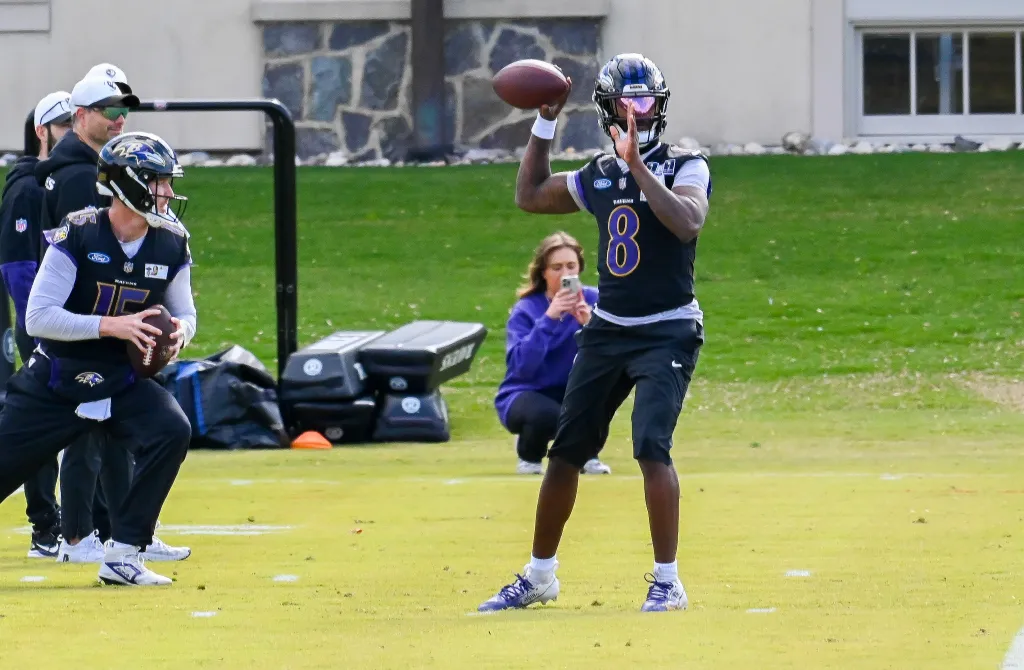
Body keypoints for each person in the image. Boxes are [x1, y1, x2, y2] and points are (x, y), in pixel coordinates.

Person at [479, 53, 712, 613]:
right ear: (610, 108)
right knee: (566, 453)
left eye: (648, 100)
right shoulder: (599, 173)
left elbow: (687, 222)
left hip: (667, 330)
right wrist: (545, 121)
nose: (641, 110)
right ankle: (539, 576)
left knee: (651, 447)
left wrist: (638, 166)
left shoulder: (686, 163)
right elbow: (531, 195)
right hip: (609, 330)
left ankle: (667, 581)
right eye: (629, 101)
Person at [0, 131, 196, 586]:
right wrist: (114, 326)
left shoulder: (171, 241)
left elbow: (185, 312)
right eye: (158, 181)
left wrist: (178, 335)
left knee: (171, 430)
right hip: (58, 378)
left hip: (120, 377)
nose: (167, 192)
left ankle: (124, 552)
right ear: (127, 184)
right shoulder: (79, 231)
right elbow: (38, 317)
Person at [0, 91, 73, 558]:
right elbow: (18, 268)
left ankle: (91, 523)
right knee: (40, 424)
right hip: (44, 325)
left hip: (77, 322)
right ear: (42, 131)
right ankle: (46, 525)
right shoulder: (27, 189)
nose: (73, 130)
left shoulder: (67, 184)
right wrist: (47, 324)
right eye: (63, 123)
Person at [494, 231, 611, 476]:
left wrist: (590, 326)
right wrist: (549, 319)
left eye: (571, 266)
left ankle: (587, 453)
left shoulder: (594, 300)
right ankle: (529, 455)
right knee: (550, 416)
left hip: (572, 390)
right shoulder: (527, 309)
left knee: (597, 399)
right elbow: (523, 368)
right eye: (556, 267)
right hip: (526, 392)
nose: (566, 274)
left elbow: (611, 358)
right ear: (544, 273)